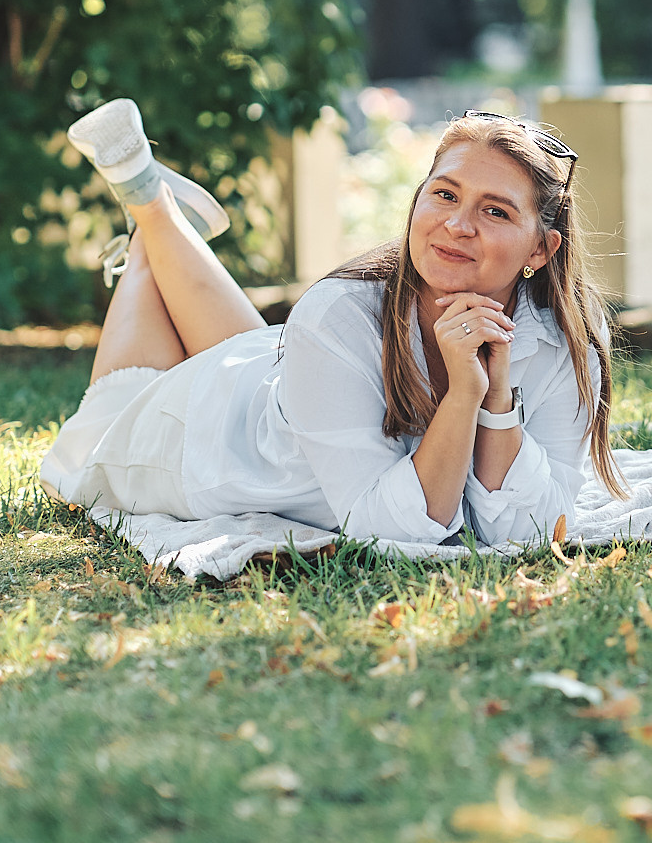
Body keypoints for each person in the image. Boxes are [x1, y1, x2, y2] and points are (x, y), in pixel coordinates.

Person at [40, 100, 618, 548]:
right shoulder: (340, 315)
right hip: (193, 438)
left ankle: (149, 200)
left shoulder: (564, 340)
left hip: (277, 375)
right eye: (444, 195)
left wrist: (495, 396)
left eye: (495, 210)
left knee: (262, 353)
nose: (458, 226)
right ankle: (150, 214)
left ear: (541, 251)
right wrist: (461, 395)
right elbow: (392, 532)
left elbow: (532, 529)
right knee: (102, 424)